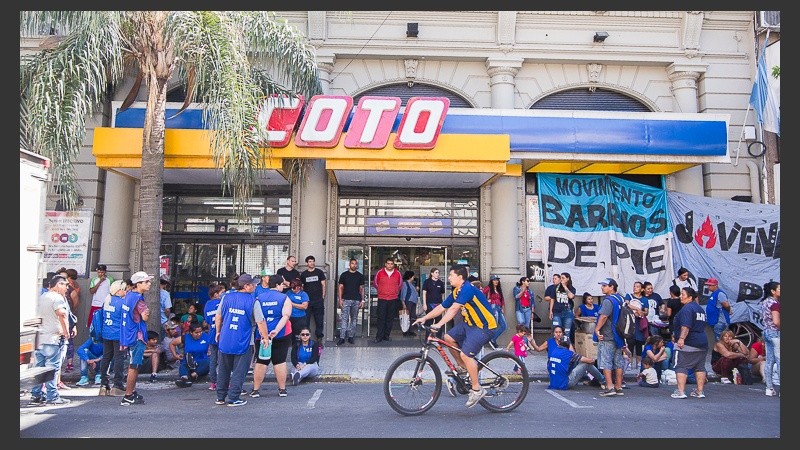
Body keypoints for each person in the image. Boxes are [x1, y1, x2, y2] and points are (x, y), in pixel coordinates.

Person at [412, 264, 497, 408]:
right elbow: (442, 307)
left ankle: (477, 389)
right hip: (469, 324)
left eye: (451, 275)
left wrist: (438, 325)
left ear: (460, 277)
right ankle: (463, 368)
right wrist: (425, 318)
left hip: (484, 327)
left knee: (466, 355)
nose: (449, 278)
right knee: (448, 338)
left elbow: (453, 309)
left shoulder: (467, 289)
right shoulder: (457, 291)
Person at [214, 273, 270, 406]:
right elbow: (261, 321)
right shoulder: (253, 301)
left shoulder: (226, 297)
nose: (255, 286)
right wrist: (265, 337)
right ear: (246, 286)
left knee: (223, 369)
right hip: (244, 341)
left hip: (226, 339)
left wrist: (218, 332)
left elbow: (218, 316)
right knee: (240, 371)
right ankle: (233, 398)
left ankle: (220, 397)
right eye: (253, 284)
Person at [28, 275, 72, 406]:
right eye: (65, 285)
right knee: (52, 368)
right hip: (53, 338)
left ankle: (36, 395)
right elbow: (62, 314)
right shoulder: (57, 298)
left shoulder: (42, 297)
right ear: (58, 285)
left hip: (40, 338)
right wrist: (66, 331)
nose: (66, 288)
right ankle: (52, 396)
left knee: (39, 368)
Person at [250, 274, 293, 398]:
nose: (283, 287)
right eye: (282, 285)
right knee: (279, 361)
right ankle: (282, 389)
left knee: (261, 361)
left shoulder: (258, 298)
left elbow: (255, 318)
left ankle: (256, 390)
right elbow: (286, 316)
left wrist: (264, 334)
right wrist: (276, 330)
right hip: (282, 335)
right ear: (278, 285)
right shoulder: (285, 298)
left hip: (262, 336)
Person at [119, 271, 154, 406]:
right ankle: (128, 395)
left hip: (128, 334)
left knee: (132, 364)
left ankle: (131, 392)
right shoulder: (138, 299)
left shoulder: (129, 296)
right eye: (146, 282)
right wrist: (147, 312)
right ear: (138, 284)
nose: (149, 284)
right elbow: (144, 317)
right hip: (136, 335)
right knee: (134, 366)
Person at [670, 286, 708, 399]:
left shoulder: (687, 309)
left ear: (690, 297)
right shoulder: (700, 309)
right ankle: (700, 392)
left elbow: (686, 326)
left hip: (688, 343)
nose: (680, 296)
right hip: (702, 342)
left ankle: (681, 392)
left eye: (683, 294)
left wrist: (681, 339)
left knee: (681, 366)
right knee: (700, 367)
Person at [593, 277, 627, 397]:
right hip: (620, 335)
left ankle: (610, 387)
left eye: (604, 285)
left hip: (608, 335)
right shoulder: (620, 299)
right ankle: (618, 387)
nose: (602, 287)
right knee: (618, 362)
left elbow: (603, 316)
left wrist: (597, 329)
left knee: (606, 362)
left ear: (612, 287)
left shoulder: (608, 301)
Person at [98, 279, 128, 396]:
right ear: (119, 290)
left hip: (107, 332)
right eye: (124, 290)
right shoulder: (122, 303)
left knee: (106, 357)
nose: (125, 292)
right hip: (118, 333)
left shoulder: (107, 300)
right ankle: (117, 384)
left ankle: (103, 384)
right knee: (119, 358)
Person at [373, 257, 403, 343]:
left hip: (393, 299)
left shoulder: (397, 273)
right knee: (381, 318)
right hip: (382, 298)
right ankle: (379, 337)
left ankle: (387, 336)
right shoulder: (380, 273)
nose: (390, 265)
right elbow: (375, 283)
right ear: (385, 264)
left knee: (390, 318)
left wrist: (395, 291)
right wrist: (381, 291)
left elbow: (400, 285)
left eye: (391, 264)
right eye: (388, 263)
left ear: (393, 265)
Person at [337, 258, 365, 345]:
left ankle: (351, 336)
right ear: (349, 264)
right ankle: (342, 337)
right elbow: (340, 287)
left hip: (356, 300)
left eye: (355, 264)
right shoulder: (344, 275)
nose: (354, 265)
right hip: (346, 299)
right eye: (352, 263)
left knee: (354, 319)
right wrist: (340, 299)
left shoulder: (360, 276)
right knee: (344, 319)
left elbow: (362, 289)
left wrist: (362, 300)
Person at [175, 323, 212, 387]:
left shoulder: (206, 336)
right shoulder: (185, 337)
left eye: (200, 332)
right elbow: (172, 344)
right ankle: (184, 378)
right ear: (191, 332)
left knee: (209, 362)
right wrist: (175, 355)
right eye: (196, 332)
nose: (199, 334)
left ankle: (192, 376)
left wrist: (210, 351)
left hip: (201, 361)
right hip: (188, 361)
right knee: (183, 365)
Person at [203, 283, 225, 391]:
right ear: (216, 294)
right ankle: (223, 382)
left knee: (213, 359)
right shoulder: (221, 303)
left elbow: (207, 320)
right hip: (222, 334)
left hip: (211, 334)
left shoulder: (207, 304)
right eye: (221, 293)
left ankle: (213, 382)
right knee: (223, 360)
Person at [300, 255, 327, 341]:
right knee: (305, 321)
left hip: (318, 301)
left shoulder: (319, 272)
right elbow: (302, 288)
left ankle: (319, 339)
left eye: (313, 261)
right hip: (307, 302)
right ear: (307, 263)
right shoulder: (304, 274)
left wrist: (322, 297)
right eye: (310, 261)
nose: (312, 263)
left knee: (319, 321)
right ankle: (305, 339)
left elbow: (323, 285)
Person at [760, 281, 780, 397]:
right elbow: (776, 321)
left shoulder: (765, 302)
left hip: (766, 331)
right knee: (779, 360)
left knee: (770, 360)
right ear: (773, 291)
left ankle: (769, 388)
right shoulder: (775, 304)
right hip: (775, 333)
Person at [549, 273, 576, 341]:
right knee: (556, 330)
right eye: (560, 278)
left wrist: (564, 286)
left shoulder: (572, 288)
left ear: (568, 279)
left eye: (563, 278)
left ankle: (565, 348)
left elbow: (571, 296)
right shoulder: (556, 287)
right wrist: (550, 311)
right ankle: (556, 348)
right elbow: (552, 299)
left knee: (567, 332)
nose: (561, 279)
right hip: (557, 312)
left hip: (567, 313)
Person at [482, 275, 507, 348]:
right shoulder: (488, 288)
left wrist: (503, 307)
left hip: (498, 307)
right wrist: (487, 303)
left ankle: (492, 339)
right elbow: (482, 296)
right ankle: (490, 340)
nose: (496, 281)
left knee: (504, 326)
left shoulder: (499, 289)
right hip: (493, 307)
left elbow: (502, 299)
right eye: (494, 280)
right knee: (494, 325)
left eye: (497, 280)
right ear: (491, 281)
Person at [704, 277, 731, 342]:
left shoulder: (720, 294)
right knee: (718, 340)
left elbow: (726, 304)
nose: (708, 287)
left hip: (720, 321)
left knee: (721, 340)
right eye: (708, 285)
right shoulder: (714, 294)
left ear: (715, 285)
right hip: (715, 321)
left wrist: (729, 310)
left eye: (710, 285)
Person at [400, 270, 420, 338]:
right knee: (407, 317)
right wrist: (403, 303)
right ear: (410, 276)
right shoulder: (405, 284)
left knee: (412, 316)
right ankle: (406, 331)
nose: (413, 277)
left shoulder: (411, 284)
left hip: (413, 302)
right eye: (413, 276)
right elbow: (403, 294)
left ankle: (411, 330)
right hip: (408, 302)